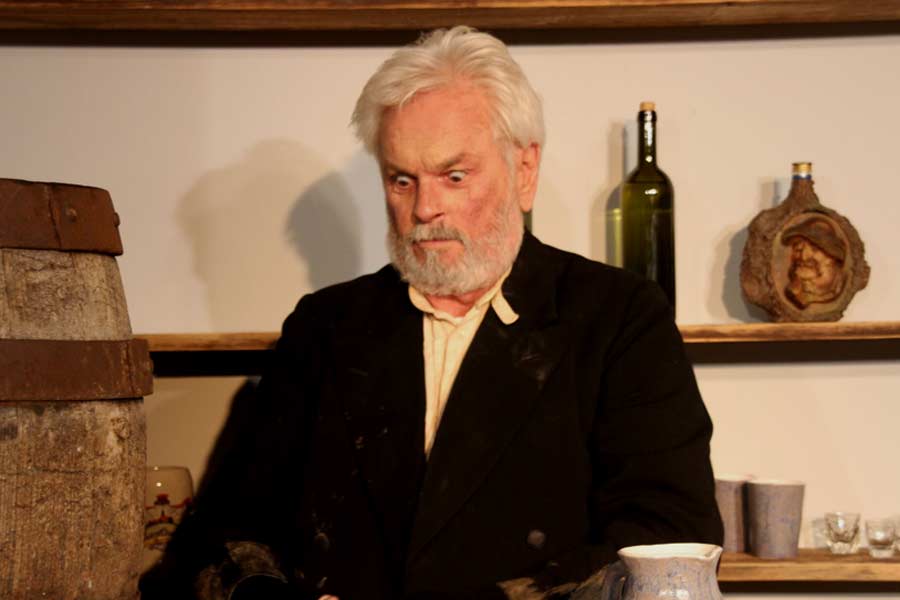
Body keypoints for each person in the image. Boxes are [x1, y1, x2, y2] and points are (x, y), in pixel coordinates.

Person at [141, 25, 722, 600]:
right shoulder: (325, 326)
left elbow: (667, 535)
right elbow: (231, 533)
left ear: (524, 171)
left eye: (454, 176)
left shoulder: (619, 318)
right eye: (402, 179)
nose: (424, 208)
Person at [781, 217, 847, 308]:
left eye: (815, 250)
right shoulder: (794, 288)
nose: (804, 257)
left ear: (831, 258)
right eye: (798, 249)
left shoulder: (838, 285)